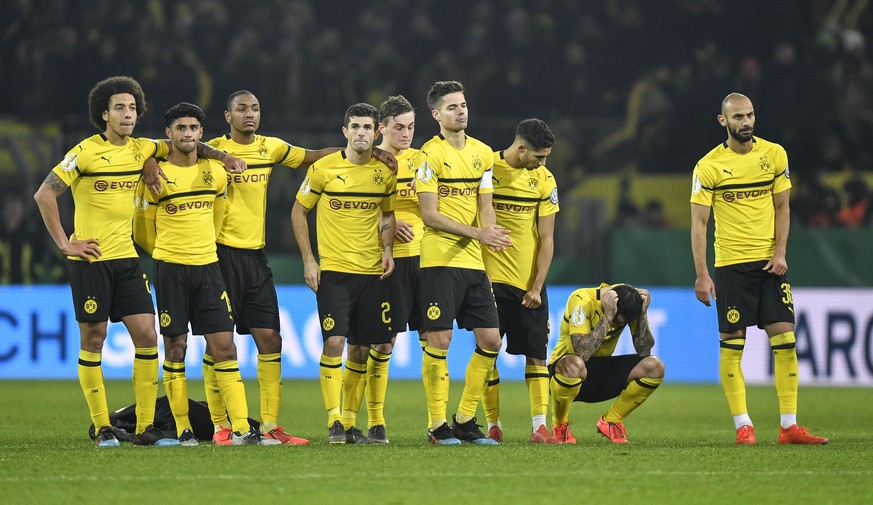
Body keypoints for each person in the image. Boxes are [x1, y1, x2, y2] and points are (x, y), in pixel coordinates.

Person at [32, 76, 243, 447]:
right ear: (104, 114)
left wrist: (221, 157)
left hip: (128, 261)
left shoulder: (144, 147)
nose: (128, 114)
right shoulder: (85, 153)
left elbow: (187, 143)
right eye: (119, 108)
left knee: (148, 338)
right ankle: (102, 427)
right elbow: (44, 195)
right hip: (92, 260)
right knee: (94, 339)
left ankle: (146, 428)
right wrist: (66, 243)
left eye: (132, 108)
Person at [133, 102, 275, 446]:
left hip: (209, 268)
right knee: (176, 347)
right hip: (171, 270)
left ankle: (241, 428)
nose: (188, 134)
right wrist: (166, 252)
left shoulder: (216, 172)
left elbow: (218, 214)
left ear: (201, 132)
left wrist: (202, 247)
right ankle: (183, 429)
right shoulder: (155, 176)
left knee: (224, 346)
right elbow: (141, 230)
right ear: (169, 134)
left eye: (194, 128)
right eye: (181, 128)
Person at [690, 92, 828, 445]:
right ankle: (743, 426)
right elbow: (699, 224)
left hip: (770, 265)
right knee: (732, 346)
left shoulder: (775, 154)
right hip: (732, 266)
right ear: (723, 121)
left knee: (786, 341)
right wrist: (702, 273)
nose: (746, 121)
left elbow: (783, 208)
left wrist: (781, 252)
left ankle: (789, 426)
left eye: (750, 115)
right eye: (738, 117)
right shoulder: (708, 167)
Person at [291, 102, 396, 445]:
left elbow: (387, 215)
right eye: (356, 127)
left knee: (362, 349)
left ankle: (354, 423)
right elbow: (297, 212)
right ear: (345, 131)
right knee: (334, 342)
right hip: (334, 272)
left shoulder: (384, 173)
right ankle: (334, 421)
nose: (361, 133)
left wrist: (387, 249)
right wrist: (309, 260)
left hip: (371, 272)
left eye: (367, 127)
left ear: (376, 132)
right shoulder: (323, 169)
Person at [415, 80, 512, 445]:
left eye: (464, 104)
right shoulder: (429, 156)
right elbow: (429, 215)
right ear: (437, 114)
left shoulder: (484, 154)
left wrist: (491, 235)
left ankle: (465, 420)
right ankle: (437, 424)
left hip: (474, 262)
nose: (462, 111)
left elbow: (485, 206)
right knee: (439, 339)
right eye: (453, 106)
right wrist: (478, 235)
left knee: (491, 340)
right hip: (439, 259)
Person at [345, 95, 421, 444]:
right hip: (380, 260)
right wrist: (390, 222)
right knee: (371, 341)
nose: (406, 134)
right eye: (398, 128)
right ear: (381, 129)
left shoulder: (424, 160)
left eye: (410, 128)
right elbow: (362, 205)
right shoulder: (369, 160)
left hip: (422, 260)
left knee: (393, 345)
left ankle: (377, 421)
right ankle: (352, 421)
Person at [480, 118, 559, 444]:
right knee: (486, 351)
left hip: (528, 284)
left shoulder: (544, 179)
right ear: (521, 147)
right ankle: (492, 424)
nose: (542, 164)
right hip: (489, 280)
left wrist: (537, 286)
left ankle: (540, 425)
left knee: (537, 354)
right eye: (539, 157)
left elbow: (547, 238)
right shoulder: (487, 170)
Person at [548, 283, 664, 444]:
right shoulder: (581, 300)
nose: (618, 325)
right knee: (575, 364)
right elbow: (582, 352)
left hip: (599, 374)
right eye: (618, 321)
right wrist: (608, 317)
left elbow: (645, 351)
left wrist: (642, 315)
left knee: (655, 366)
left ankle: (611, 421)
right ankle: (560, 424)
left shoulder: (628, 301)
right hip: (564, 374)